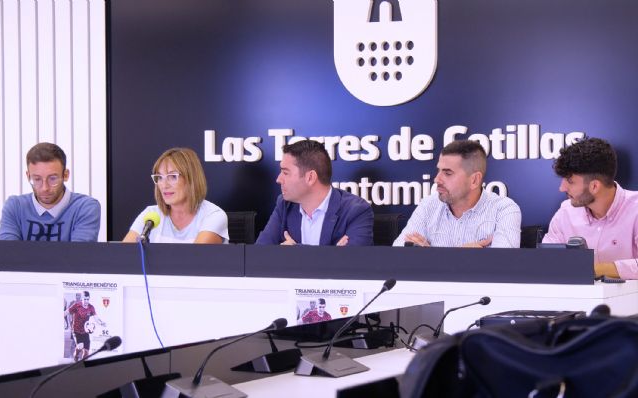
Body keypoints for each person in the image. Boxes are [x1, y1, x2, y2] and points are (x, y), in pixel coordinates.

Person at [393, 140, 521, 247]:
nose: (437, 179)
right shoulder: (428, 205)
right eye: (439, 170)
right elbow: (399, 251)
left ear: (474, 180)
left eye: (448, 173)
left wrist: (428, 257)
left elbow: (504, 265)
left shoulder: (504, 209)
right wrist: (460, 257)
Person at [542, 137, 638, 279]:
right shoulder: (565, 212)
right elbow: (545, 260)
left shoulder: (635, 209)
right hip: (576, 300)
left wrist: (595, 269)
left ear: (594, 186)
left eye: (570, 181)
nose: (562, 188)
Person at [256, 140, 373, 246]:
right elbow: (260, 255)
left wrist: (294, 252)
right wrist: (334, 254)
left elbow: (354, 264)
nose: (278, 179)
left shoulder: (357, 211)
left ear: (310, 177)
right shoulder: (284, 205)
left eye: (285, 173)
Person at [123, 147, 229, 244]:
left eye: (173, 176)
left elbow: (195, 260)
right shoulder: (150, 215)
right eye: (159, 177)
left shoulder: (213, 215)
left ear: (192, 179)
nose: (164, 185)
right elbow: (122, 256)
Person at [0, 142, 100, 241]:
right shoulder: (15, 206)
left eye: (52, 179)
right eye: (37, 179)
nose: (45, 188)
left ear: (65, 175)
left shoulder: (85, 207)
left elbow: (80, 255)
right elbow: (8, 254)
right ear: (28, 176)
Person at [65, 291, 105, 361]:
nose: (86, 301)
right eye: (85, 299)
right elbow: (66, 312)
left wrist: (101, 323)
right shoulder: (76, 305)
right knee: (80, 346)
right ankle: (76, 355)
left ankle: (82, 364)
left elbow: (96, 318)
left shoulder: (91, 307)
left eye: (87, 299)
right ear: (82, 299)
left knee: (86, 352)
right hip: (76, 330)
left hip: (85, 331)